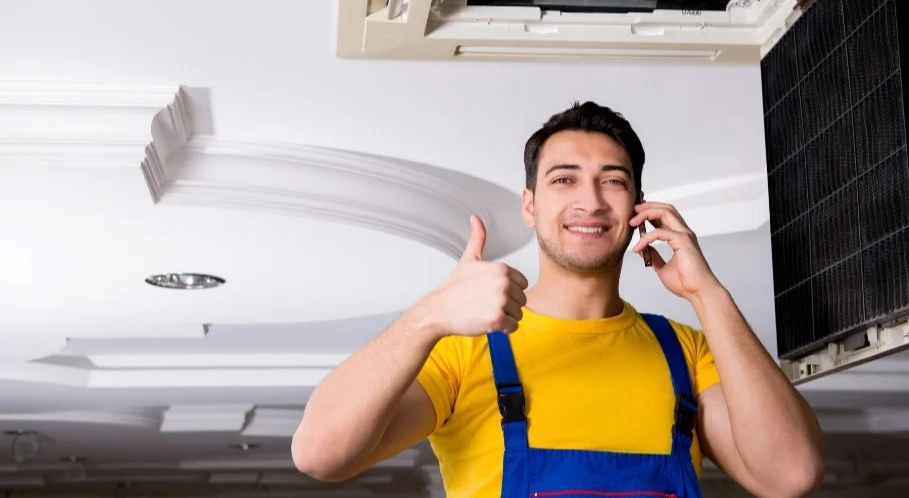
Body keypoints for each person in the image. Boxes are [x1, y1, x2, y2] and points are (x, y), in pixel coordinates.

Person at [291, 101, 825, 498]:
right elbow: (320, 454)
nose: (589, 201)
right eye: (564, 179)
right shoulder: (466, 351)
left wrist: (708, 294)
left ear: (639, 205)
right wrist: (428, 316)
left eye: (612, 181)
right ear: (530, 204)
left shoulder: (685, 352)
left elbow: (790, 475)